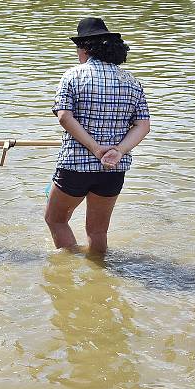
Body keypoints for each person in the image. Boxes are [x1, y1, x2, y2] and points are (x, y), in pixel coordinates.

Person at [45, 17, 150, 254]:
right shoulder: (132, 81)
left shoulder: (72, 76)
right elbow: (143, 125)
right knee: (98, 231)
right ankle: (99, 274)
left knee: (55, 219)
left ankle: (69, 269)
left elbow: (64, 117)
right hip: (113, 168)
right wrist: (119, 151)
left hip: (75, 166)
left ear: (84, 48)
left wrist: (95, 148)